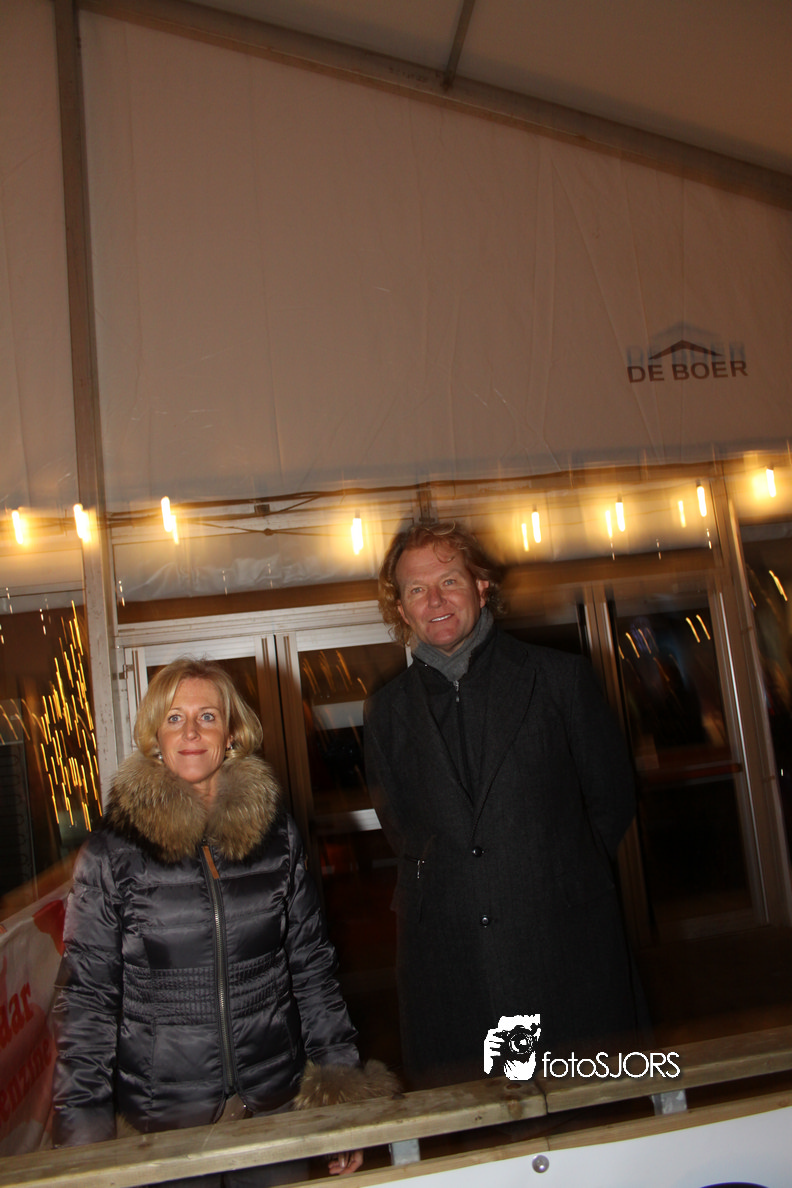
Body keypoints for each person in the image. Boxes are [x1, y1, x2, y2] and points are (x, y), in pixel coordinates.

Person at [53, 658, 396, 1183]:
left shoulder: (276, 839)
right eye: (174, 718)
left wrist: (341, 1102)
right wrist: (84, 1141)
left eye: (207, 716)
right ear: (155, 737)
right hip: (163, 1132)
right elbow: (87, 1003)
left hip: (274, 1113)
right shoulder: (111, 854)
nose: (191, 732)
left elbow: (312, 973)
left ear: (232, 733)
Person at [364, 521, 648, 1088]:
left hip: (564, 947)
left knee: (588, 1116)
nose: (435, 600)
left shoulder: (559, 679)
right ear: (401, 609)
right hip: (450, 964)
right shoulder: (386, 711)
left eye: (449, 581)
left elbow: (611, 796)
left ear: (482, 585)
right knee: (476, 1126)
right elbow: (401, 824)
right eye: (417, 590)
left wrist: (554, 870)